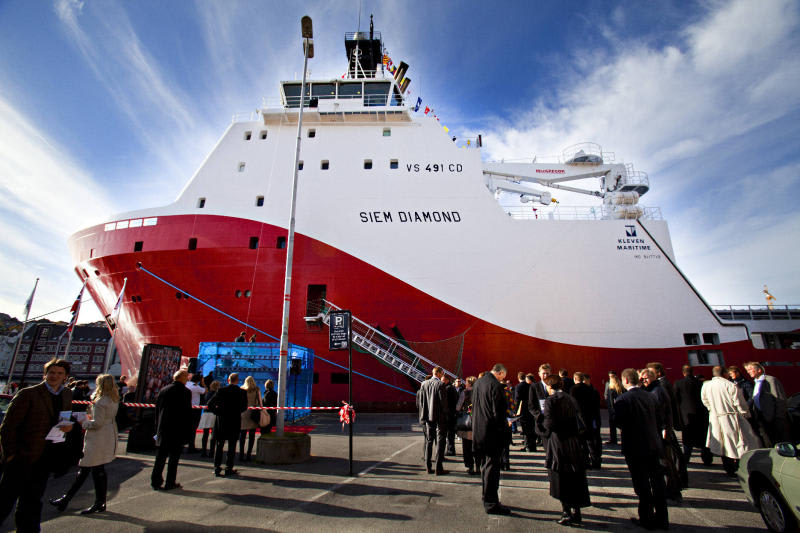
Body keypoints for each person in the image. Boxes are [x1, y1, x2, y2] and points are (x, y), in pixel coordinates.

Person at [0, 358, 75, 532]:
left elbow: (64, 418)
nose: (54, 376)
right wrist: (11, 454)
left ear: (65, 376)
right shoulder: (28, 394)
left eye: (59, 373)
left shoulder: (66, 394)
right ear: (45, 374)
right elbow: (8, 426)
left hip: (46, 455)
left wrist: (68, 427)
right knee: (5, 499)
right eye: (51, 372)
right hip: (22, 456)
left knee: (32, 500)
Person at [48, 374, 119, 514]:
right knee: (96, 469)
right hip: (108, 434)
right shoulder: (113, 399)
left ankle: (70, 499)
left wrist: (84, 422)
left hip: (97, 438)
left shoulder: (100, 401)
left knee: (87, 467)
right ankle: (95, 501)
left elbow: (97, 423)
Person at [615, 368, 668, 531]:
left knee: (642, 483)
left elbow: (619, 422)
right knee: (658, 481)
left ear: (625, 380)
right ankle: (662, 519)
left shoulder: (622, 399)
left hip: (635, 446)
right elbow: (659, 419)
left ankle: (646, 518)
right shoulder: (651, 396)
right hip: (654, 444)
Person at [539, 374, 590, 526]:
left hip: (559, 443)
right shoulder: (570, 398)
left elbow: (549, 425)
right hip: (573, 442)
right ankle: (577, 511)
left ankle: (566, 512)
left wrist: (540, 429)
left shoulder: (551, 400)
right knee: (574, 477)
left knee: (561, 478)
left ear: (550, 386)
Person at [701, 365, 761, 476]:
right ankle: (739, 466)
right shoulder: (730, 385)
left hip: (715, 417)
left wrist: (712, 409)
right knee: (738, 443)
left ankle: (728, 467)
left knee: (723, 444)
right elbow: (739, 403)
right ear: (725, 374)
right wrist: (745, 413)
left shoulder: (706, 386)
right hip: (731, 417)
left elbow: (705, 400)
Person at [472, 363, 511, 515]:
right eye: (503, 376)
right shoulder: (496, 386)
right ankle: (491, 503)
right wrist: (506, 425)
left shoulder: (478, 382)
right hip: (492, 434)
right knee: (492, 469)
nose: (503, 379)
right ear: (500, 373)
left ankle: (486, 497)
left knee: (485, 466)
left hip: (479, 431)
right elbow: (498, 413)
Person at [640, 368, 683, 502]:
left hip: (660, 432)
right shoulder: (654, 390)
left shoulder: (657, 391)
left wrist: (664, 429)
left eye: (646, 378)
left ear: (653, 377)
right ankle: (671, 488)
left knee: (665, 460)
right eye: (642, 379)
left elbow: (661, 412)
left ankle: (672, 489)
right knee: (664, 460)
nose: (643, 381)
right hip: (657, 431)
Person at [151, 369, 193, 491]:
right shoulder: (186, 392)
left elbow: (158, 410)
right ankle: (170, 482)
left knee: (160, 458)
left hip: (163, 428)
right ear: (183, 378)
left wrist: (157, 426)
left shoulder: (164, 390)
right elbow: (187, 412)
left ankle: (155, 481)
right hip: (177, 429)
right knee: (174, 459)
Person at [209, 373, 247, 476]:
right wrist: (236, 412)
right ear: (237, 380)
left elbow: (210, 404)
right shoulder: (242, 392)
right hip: (234, 421)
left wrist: (218, 412)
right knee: (232, 446)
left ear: (228, 380)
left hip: (222, 421)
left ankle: (217, 467)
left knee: (219, 445)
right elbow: (244, 407)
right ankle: (229, 467)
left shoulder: (221, 391)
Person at [744, 361, 790, 447]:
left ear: (759, 370)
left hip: (775, 419)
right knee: (770, 443)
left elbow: (780, 399)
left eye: (750, 369)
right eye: (747, 370)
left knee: (782, 444)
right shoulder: (756, 383)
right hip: (762, 419)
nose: (748, 372)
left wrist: (779, 417)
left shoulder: (770, 380)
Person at [674, 365, 711, 472]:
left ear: (683, 373)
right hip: (701, 414)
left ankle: (686, 459)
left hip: (687, 415)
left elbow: (676, 399)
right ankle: (707, 459)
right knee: (704, 439)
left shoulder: (679, 383)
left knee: (687, 440)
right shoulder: (700, 383)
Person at [416, 366, 449, 475]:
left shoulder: (424, 384)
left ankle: (428, 467)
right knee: (440, 441)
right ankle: (439, 468)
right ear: (439, 373)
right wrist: (446, 414)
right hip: (439, 416)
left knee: (429, 441)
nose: (442, 375)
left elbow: (421, 401)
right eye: (442, 373)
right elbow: (443, 402)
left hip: (427, 416)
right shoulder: (440, 384)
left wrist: (423, 414)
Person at [571, 372, 602, 468]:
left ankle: (585, 462)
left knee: (582, 442)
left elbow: (574, 405)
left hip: (579, 419)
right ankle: (596, 461)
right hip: (591, 418)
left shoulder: (573, 390)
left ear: (575, 379)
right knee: (592, 441)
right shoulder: (591, 389)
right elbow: (596, 404)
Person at [456, 376, 478, 475]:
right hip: (478, 420)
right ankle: (478, 465)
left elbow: (458, 407)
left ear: (468, 383)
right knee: (477, 445)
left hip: (466, 420)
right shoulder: (479, 392)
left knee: (466, 445)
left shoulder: (464, 392)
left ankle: (470, 466)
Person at [239, 376, 262, 462]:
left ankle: (241, 454)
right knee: (252, 435)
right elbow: (260, 402)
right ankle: (249, 454)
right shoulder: (256, 389)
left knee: (242, 435)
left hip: (243, 412)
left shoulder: (242, 389)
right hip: (253, 413)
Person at [199, 381, 221, 457]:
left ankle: (203, 451)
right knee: (213, 434)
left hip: (206, 413)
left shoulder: (207, 394)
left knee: (205, 434)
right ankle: (212, 451)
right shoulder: (217, 394)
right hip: (214, 414)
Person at [185, 373, 206, 453]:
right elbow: (205, 391)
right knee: (193, 428)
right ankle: (191, 446)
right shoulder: (196, 387)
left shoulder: (187, 384)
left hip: (186, 408)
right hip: (194, 410)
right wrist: (203, 384)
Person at [514, 372, 534, 452]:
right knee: (530, 427)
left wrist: (515, 410)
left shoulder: (518, 386)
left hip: (522, 408)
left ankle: (527, 445)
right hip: (530, 408)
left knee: (525, 428)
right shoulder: (530, 385)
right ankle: (532, 445)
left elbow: (517, 399)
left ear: (518, 378)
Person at [605, 372, 623, 445]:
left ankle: (613, 439)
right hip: (621, 409)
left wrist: (611, 410)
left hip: (613, 410)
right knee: (621, 425)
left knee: (612, 425)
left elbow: (611, 401)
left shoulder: (611, 389)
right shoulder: (621, 388)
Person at [443, 375, 459, 456]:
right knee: (451, 433)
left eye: (442, 380)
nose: (441, 382)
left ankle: (450, 450)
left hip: (449, 414)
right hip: (452, 413)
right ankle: (451, 449)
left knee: (449, 433)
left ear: (446, 380)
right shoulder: (452, 388)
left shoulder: (448, 388)